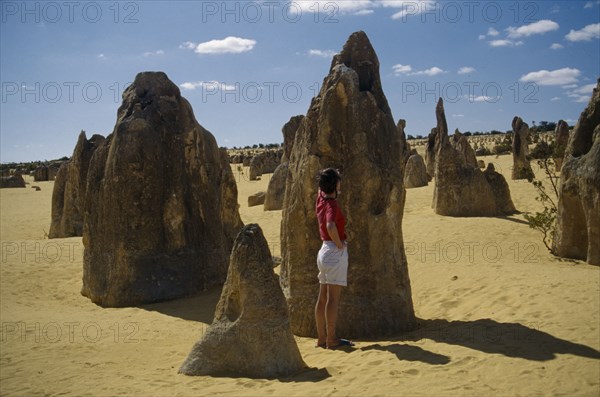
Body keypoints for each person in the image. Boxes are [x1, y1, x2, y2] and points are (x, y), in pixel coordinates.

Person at [314, 168, 354, 349]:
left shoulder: (320, 199)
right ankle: (332, 339)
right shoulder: (331, 205)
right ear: (334, 186)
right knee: (333, 299)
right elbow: (330, 225)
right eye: (338, 181)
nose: (341, 183)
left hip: (323, 252)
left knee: (322, 298)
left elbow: (321, 187)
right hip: (333, 252)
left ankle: (321, 338)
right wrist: (339, 244)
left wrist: (330, 174)